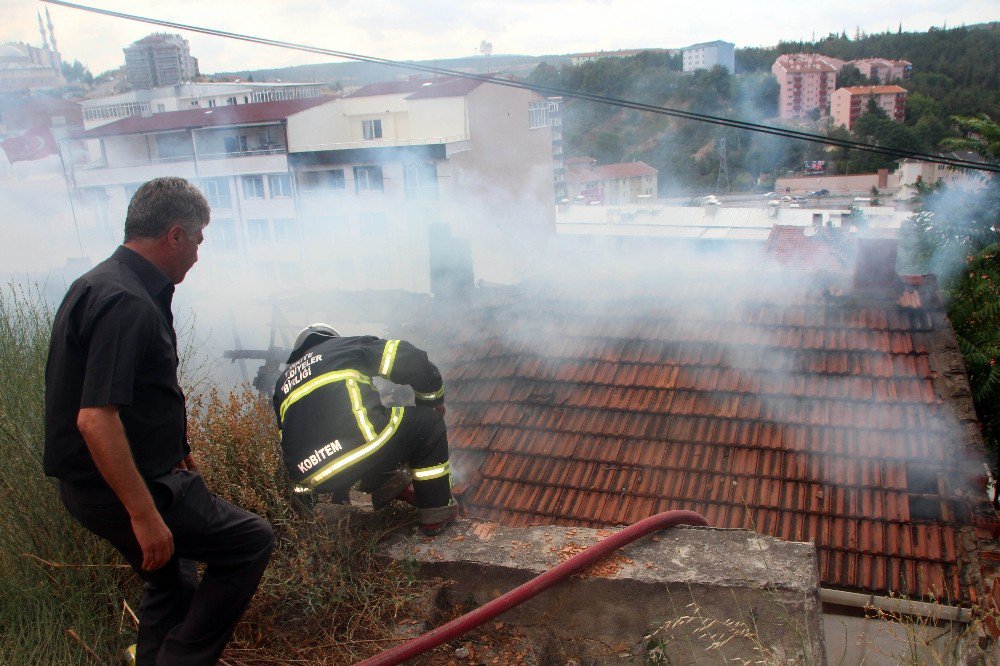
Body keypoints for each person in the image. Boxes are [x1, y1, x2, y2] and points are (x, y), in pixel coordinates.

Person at [44, 177, 274, 665]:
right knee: (250, 540)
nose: (196, 255)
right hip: (121, 489)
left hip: (98, 485)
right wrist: (145, 515)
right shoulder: (127, 302)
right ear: (174, 235)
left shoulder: (98, 282)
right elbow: (94, 419)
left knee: (172, 577)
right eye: (197, 241)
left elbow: (137, 394)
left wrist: (176, 446)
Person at [274, 324, 459, 535]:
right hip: (358, 446)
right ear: (331, 338)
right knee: (429, 422)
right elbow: (409, 359)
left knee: (365, 446)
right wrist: (432, 401)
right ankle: (436, 513)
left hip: (311, 478)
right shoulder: (344, 347)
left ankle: (383, 481)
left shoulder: (282, 383)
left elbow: (285, 437)